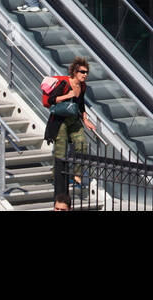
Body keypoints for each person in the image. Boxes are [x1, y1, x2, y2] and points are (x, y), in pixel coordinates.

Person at [45, 56, 96, 210]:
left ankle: (77, 175)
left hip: (73, 120)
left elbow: (80, 105)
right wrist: (69, 95)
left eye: (86, 72)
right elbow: (52, 100)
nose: (85, 74)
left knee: (82, 145)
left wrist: (85, 119)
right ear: (75, 71)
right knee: (61, 150)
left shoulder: (83, 86)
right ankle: (57, 175)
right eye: (82, 72)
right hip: (60, 120)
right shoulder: (64, 83)